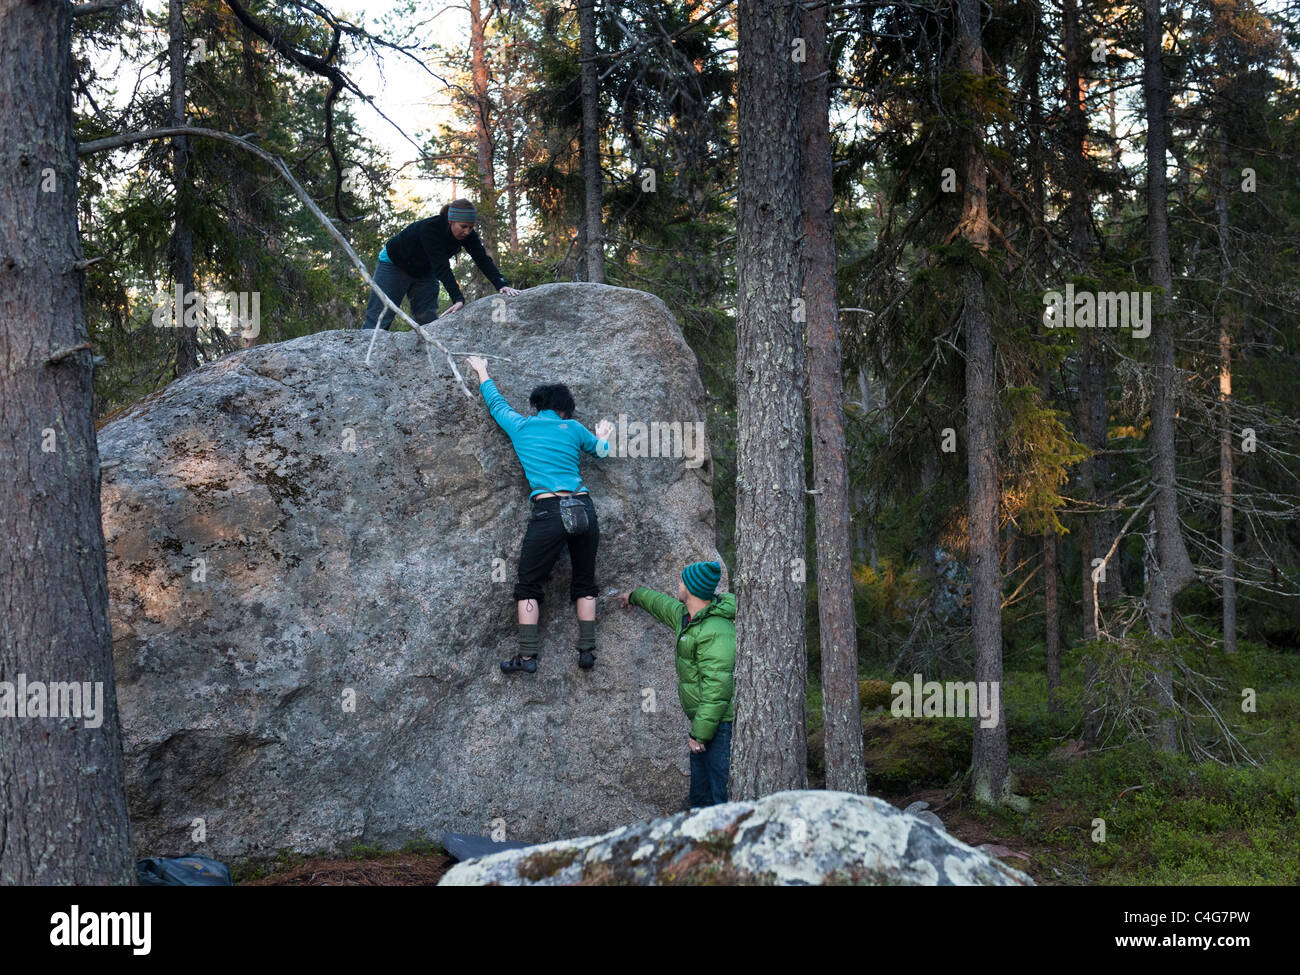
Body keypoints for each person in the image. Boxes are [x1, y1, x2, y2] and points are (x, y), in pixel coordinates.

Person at [464, 354, 615, 675]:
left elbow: (496, 404)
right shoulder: (573, 428)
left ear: (539, 407)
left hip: (549, 512)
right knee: (585, 582)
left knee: (529, 584)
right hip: (583, 508)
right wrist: (603, 435)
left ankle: (528, 657)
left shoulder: (521, 426)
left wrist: (482, 370)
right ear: (564, 409)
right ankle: (587, 651)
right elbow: (602, 453)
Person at [618, 562, 735, 808]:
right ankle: (699, 844)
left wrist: (700, 735)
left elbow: (718, 688)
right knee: (700, 798)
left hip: (720, 727)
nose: (678, 585)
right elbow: (661, 604)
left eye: (682, 582)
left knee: (720, 798)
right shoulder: (687, 617)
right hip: (704, 725)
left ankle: (724, 844)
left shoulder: (716, 629)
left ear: (692, 589)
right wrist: (634, 596)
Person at [360, 199, 520, 330]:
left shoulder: (468, 236)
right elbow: (441, 266)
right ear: (451, 221)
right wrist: (458, 298)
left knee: (428, 319)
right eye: (463, 226)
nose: (467, 231)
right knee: (379, 318)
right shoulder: (430, 229)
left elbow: (482, 260)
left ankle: (426, 358)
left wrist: (501, 284)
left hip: (424, 270)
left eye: (471, 227)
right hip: (394, 264)